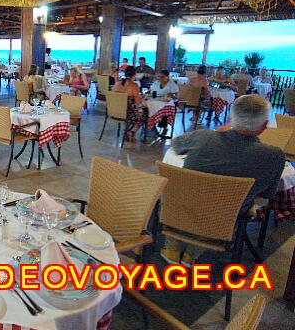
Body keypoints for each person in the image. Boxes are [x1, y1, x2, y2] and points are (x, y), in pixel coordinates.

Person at [162, 95, 285, 267]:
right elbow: (267, 194)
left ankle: (173, 248)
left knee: (183, 191)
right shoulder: (274, 156)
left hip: (183, 210)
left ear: (231, 118)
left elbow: (176, 144)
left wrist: (216, 133)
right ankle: (191, 253)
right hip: (224, 221)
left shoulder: (203, 137)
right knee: (224, 204)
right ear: (264, 126)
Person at [111, 66, 146, 141]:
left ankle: (128, 130)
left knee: (134, 110)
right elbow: (137, 102)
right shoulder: (134, 85)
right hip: (127, 113)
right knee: (144, 114)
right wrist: (143, 97)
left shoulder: (117, 84)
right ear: (134, 75)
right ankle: (131, 131)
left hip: (114, 112)